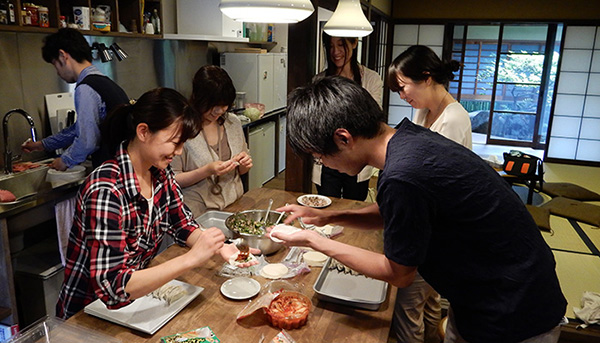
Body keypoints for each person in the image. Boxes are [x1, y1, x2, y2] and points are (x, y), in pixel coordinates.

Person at [272, 76, 566, 343]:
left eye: (320, 158)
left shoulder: (403, 175)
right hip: (495, 292)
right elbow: (395, 212)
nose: (324, 165)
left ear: (343, 138)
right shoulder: (406, 139)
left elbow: (399, 274)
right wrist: (328, 216)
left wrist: (313, 240)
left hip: (512, 310)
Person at [56, 88, 257, 319]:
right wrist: (191, 259)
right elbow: (112, 286)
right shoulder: (106, 189)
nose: (179, 151)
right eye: (174, 142)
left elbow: (182, 224)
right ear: (143, 132)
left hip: (130, 304)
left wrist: (219, 247)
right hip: (86, 315)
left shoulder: (160, 174)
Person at [386, 45, 473, 342]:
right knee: (431, 300)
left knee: (408, 308)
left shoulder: (454, 118)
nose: (402, 96)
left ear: (425, 78)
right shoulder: (425, 110)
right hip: (432, 225)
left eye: (403, 87)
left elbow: (430, 182)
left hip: (438, 226)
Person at [22, 28, 129, 170]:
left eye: (55, 65)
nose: (58, 73)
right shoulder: (104, 82)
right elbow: (82, 128)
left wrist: (65, 161)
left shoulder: (85, 88)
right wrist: (43, 144)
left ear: (62, 56)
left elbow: (87, 141)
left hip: (112, 171)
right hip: (125, 168)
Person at [171, 65, 252, 218]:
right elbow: (172, 180)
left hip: (235, 207)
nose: (219, 111)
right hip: (199, 214)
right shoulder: (183, 128)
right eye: (214, 105)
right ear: (198, 98)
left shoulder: (232, 122)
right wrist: (207, 171)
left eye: (224, 105)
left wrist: (244, 164)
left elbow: (242, 171)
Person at [312, 33, 383, 201]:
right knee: (327, 207)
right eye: (330, 46)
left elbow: (373, 120)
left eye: (341, 45)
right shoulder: (320, 80)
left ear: (354, 43)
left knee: (354, 206)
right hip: (328, 158)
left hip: (358, 158)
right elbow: (315, 121)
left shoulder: (370, 79)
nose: (335, 51)